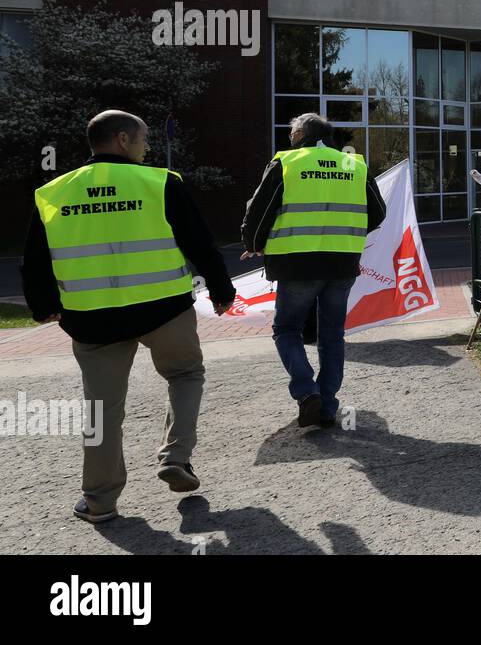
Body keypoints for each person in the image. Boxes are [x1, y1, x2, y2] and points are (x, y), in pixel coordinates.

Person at [21, 110, 236, 524]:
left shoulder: (51, 192)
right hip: (164, 309)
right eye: (143, 139)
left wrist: (43, 305)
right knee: (185, 374)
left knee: (102, 409)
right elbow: (200, 242)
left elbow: (34, 261)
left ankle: (100, 501)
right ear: (122, 139)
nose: (147, 147)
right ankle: (176, 456)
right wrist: (222, 290)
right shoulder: (161, 183)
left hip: (92, 320)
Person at [241, 113, 386, 429]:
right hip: (342, 263)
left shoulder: (287, 163)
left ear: (301, 134)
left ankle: (307, 392)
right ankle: (327, 407)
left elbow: (258, 210)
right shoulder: (354, 165)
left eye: (292, 131)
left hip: (296, 264)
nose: (290, 136)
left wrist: (253, 242)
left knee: (287, 330)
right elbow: (378, 213)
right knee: (332, 335)